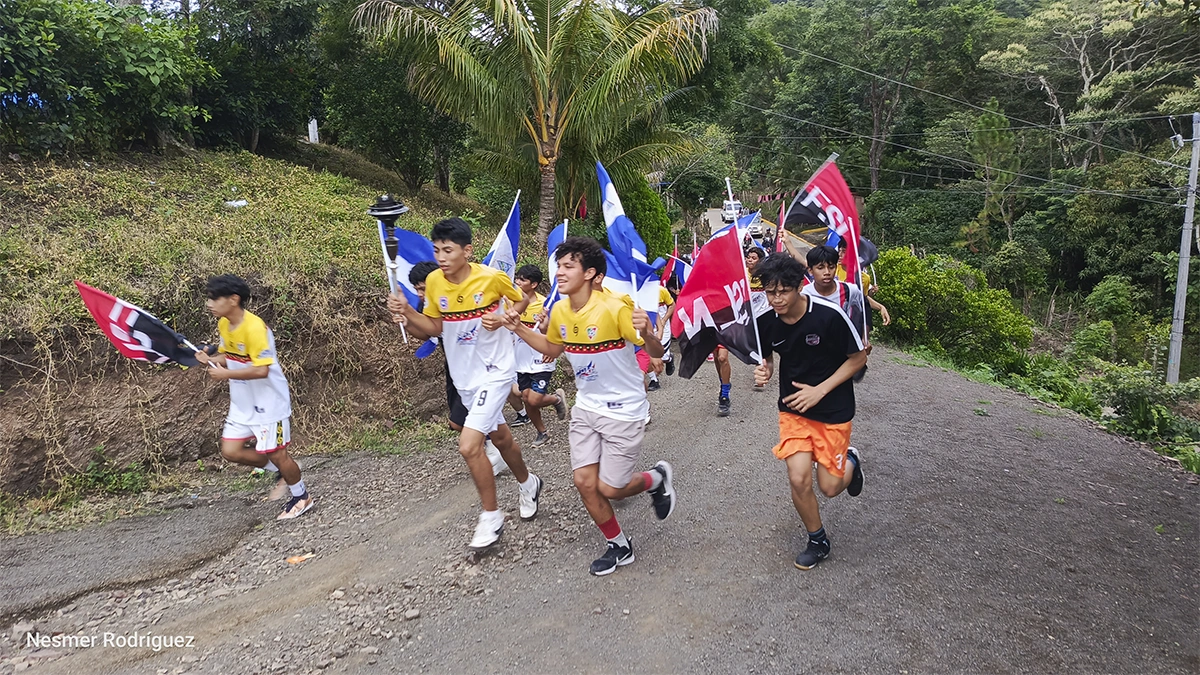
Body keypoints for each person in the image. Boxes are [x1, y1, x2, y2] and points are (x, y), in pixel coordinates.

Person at [504, 236, 676, 576]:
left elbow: (656, 352)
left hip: (624, 409)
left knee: (611, 488)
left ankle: (656, 478)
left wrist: (648, 332)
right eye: (559, 265)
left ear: (591, 274)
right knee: (584, 481)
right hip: (586, 408)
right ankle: (619, 545)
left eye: (569, 266)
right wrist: (518, 328)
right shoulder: (559, 310)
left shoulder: (616, 307)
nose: (560, 272)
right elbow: (552, 349)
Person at [386, 217, 542, 550]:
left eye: (448, 250)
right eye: (437, 250)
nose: (441, 257)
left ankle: (491, 517)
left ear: (467, 251)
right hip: (465, 378)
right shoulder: (434, 282)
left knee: (469, 445)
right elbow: (434, 327)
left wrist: (504, 317)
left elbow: (521, 301)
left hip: (495, 371)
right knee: (501, 438)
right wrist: (406, 313)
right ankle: (529, 483)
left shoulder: (491, 278)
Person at [753, 254, 867, 570]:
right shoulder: (765, 321)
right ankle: (818, 540)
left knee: (829, 487)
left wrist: (820, 390)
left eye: (783, 292)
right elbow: (768, 359)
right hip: (794, 409)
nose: (776, 299)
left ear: (799, 287)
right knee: (799, 477)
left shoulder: (829, 316)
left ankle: (852, 461)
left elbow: (858, 359)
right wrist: (764, 370)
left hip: (833, 409)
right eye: (770, 292)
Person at [194, 274, 314, 521]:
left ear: (233, 299)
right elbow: (229, 356)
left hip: (269, 403)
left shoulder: (255, 328)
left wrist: (225, 374)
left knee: (278, 454)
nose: (209, 304)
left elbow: (262, 370)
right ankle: (283, 472)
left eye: (214, 299)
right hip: (243, 404)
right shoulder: (225, 324)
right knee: (230, 450)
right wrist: (210, 360)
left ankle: (301, 497)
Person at [409, 261, 509, 476]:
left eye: (423, 288)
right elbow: (428, 333)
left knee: (461, 421)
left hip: (480, 365)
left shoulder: (462, 295)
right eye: (416, 289)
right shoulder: (425, 305)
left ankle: (493, 451)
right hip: (455, 367)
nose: (420, 294)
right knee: (463, 422)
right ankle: (496, 449)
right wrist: (407, 319)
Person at [506, 264, 568, 447]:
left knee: (533, 398)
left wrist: (545, 328)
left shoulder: (545, 305)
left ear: (533, 284)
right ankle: (542, 432)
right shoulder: (511, 302)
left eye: (522, 279)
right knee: (526, 398)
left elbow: (555, 331)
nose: (517, 282)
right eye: (517, 278)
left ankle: (556, 399)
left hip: (541, 358)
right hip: (521, 359)